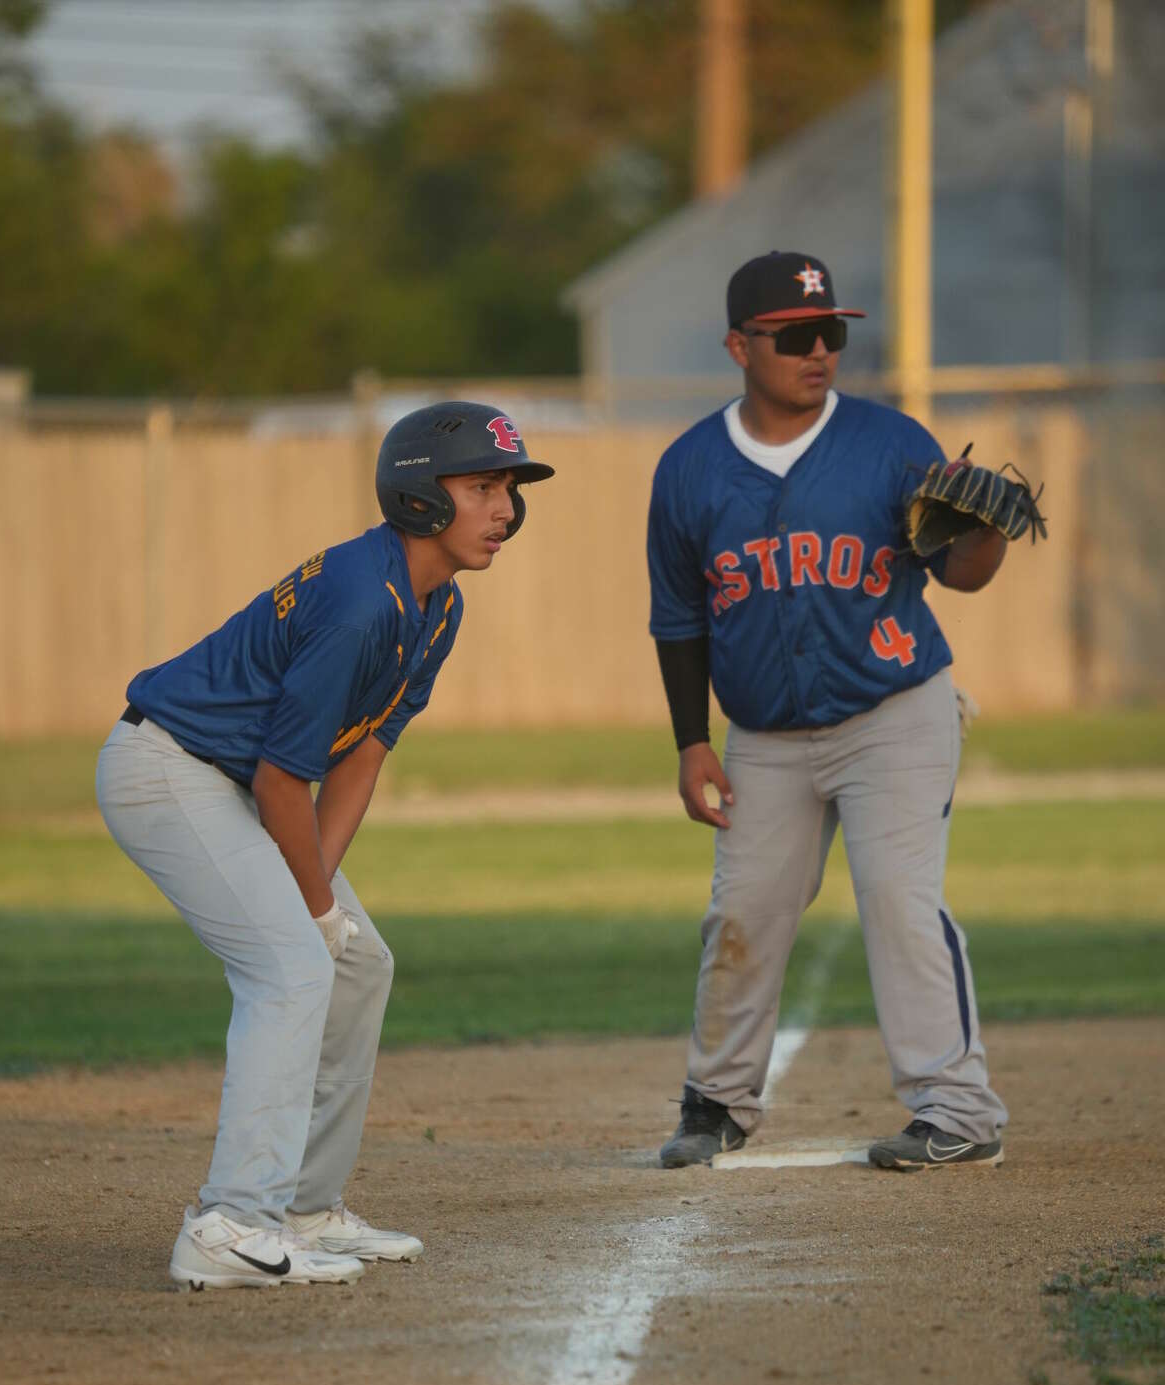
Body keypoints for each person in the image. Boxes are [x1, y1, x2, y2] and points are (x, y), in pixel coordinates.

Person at [97, 402, 554, 1285]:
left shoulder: (436, 607)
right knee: (294, 966)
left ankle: (303, 1208)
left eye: (508, 491)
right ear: (421, 498)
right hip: (169, 770)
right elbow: (281, 780)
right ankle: (228, 1224)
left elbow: (361, 757)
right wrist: (309, 910)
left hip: (232, 783)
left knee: (357, 962)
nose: (504, 509)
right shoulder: (358, 601)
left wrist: (324, 896)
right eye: (483, 487)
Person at [649, 250, 1021, 1173]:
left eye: (834, 334)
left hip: (895, 711)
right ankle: (717, 1102)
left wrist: (985, 538)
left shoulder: (892, 444)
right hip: (765, 737)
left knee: (900, 902)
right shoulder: (690, 468)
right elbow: (679, 616)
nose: (821, 351)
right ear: (740, 345)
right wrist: (693, 741)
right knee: (744, 911)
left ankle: (957, 1111)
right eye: (797, 335)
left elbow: (961, 575)